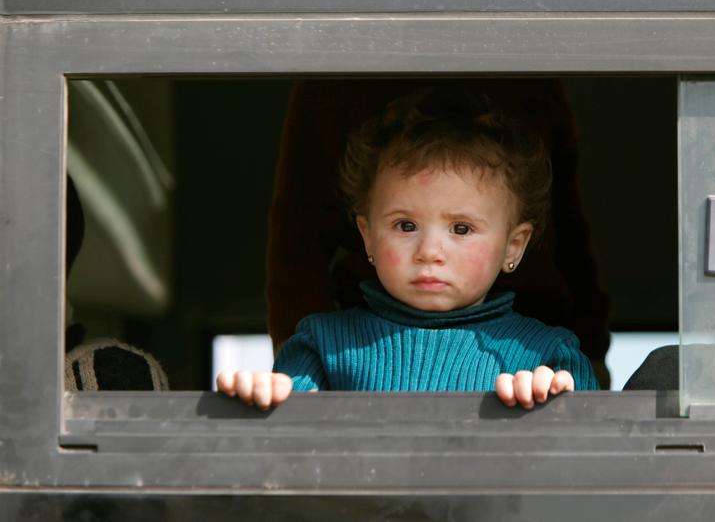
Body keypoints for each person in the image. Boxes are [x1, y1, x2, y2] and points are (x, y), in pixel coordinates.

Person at [217, 88, 598, 409]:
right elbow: (288, 455)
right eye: (406, 225)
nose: (429, 251)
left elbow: (592, 464)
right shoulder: (321, 345)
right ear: (367, 235)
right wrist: (265, 401)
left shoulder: (547, 355)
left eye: (461, 228)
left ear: (513, 246)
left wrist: (550, 409)